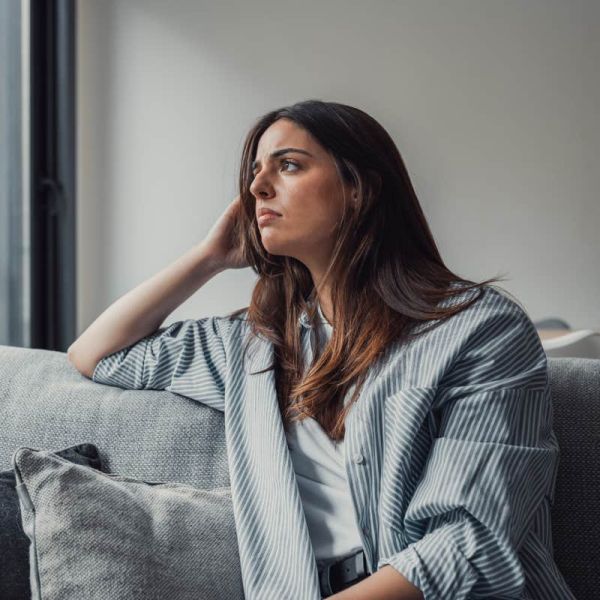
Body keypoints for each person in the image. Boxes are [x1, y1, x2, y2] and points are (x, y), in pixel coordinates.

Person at [68, 99, 576, 599]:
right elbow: (97, 353)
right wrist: (210, 257)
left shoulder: (480, 330)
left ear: (358, 190)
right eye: (254, 171)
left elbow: (469, 543)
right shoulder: (256, 346)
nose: (257, 187)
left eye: (288, 165)